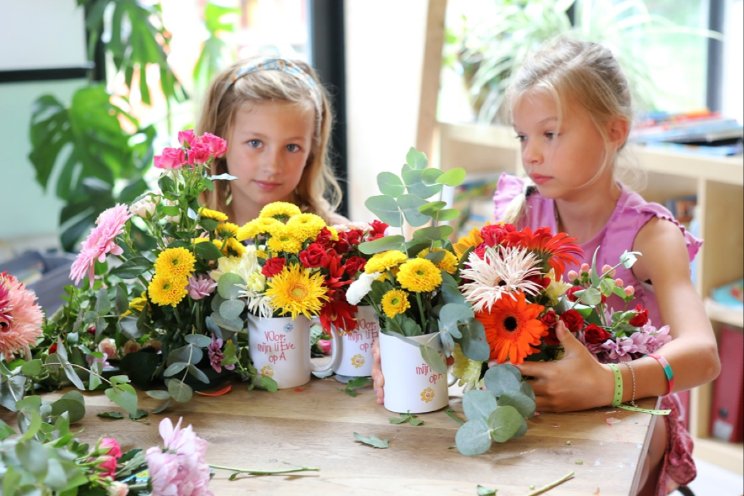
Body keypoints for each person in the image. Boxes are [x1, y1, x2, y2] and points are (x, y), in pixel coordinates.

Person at [372, 36, 720, 496]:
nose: (530, 153)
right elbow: (463, 306)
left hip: (628, 415)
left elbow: (703, 355)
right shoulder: (516, 213)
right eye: (522, 136)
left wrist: (607, 384)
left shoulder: (651, 236)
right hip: (529, 409)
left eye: (551, 134)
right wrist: (410, 344)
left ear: (615, 131)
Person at [197, 56, 348, 225]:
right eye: (255, 143)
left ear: (311, 151)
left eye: (292, 147)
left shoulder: (339, 239)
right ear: (219, 141)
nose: (273, 166)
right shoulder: (186, 239)